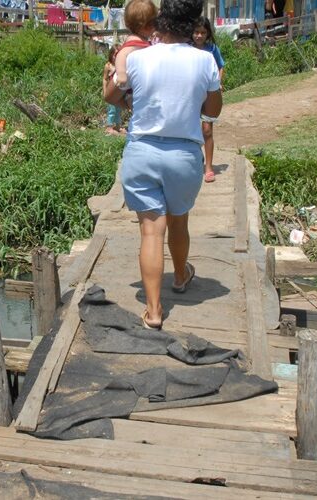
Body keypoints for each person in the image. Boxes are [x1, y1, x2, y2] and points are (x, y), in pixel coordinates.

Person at [103, 0, 222, 330]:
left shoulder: (138, 57)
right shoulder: (205, 60)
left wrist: (130, 98)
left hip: (141, 153)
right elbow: (213, 108)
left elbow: (112, 95)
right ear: (192, 24)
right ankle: (181, 277)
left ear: (161, 21)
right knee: (178, 222)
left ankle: (154, 312)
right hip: (183, 155)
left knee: (150, 231)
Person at [192, 16, 225, 183]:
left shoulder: (212, 49)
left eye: (202, 32)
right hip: (191, 94)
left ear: (208, 34)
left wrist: (218, 84)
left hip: (209, 95)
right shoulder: (186, 48)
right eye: (196, 32)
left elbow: (221, 66)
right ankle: (196, 160)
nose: (199, 35)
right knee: (190, 129)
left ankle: (209, 167)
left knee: (207, 130)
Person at [110, 0, 157, 93]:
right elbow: (121, 55)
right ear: (147, 26)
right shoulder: (134, 40)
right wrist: (121, 73)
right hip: (125, 84)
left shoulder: (141, 38)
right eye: (155, 23)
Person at [104, 45, 125, 135]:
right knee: (112, 109)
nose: (115, 56)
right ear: (111, 54)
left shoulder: (120, 65)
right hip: (111, 92)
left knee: (118, 109)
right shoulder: (108, 66)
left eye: (117, 54)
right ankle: (109, 127)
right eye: (114, 54)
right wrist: (105, 90)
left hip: (119, 92)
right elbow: (105, 79)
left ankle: (117, 126)